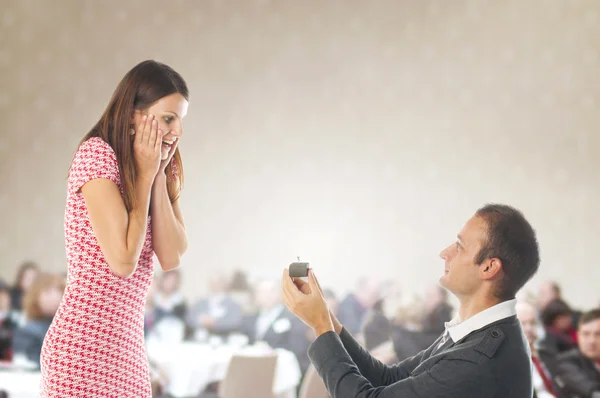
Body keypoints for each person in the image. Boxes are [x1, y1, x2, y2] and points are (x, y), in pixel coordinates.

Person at [40, 60, 189, 398]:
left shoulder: (157, 170)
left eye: (181, 119)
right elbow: (122, 262)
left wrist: (157, 178)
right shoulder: (95, 156)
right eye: (168, 118)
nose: (177, 130)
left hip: (128, 353)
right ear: (134, 115)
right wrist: (145, 178)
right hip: (80, 353)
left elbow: (171, 256)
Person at [282, 204, 540, 397]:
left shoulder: (479, 359)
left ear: (488, 267)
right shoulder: (476, 334)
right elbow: (389, 378)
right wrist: (327, 319)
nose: (444, 253)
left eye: (459, 246)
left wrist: (319, 324)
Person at [13, 273, 65, 367]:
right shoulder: (28, 331)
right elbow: (29, 365)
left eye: (60, 291)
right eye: (48, 292)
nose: (56, 296)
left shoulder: (65, 328)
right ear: (35, 297)